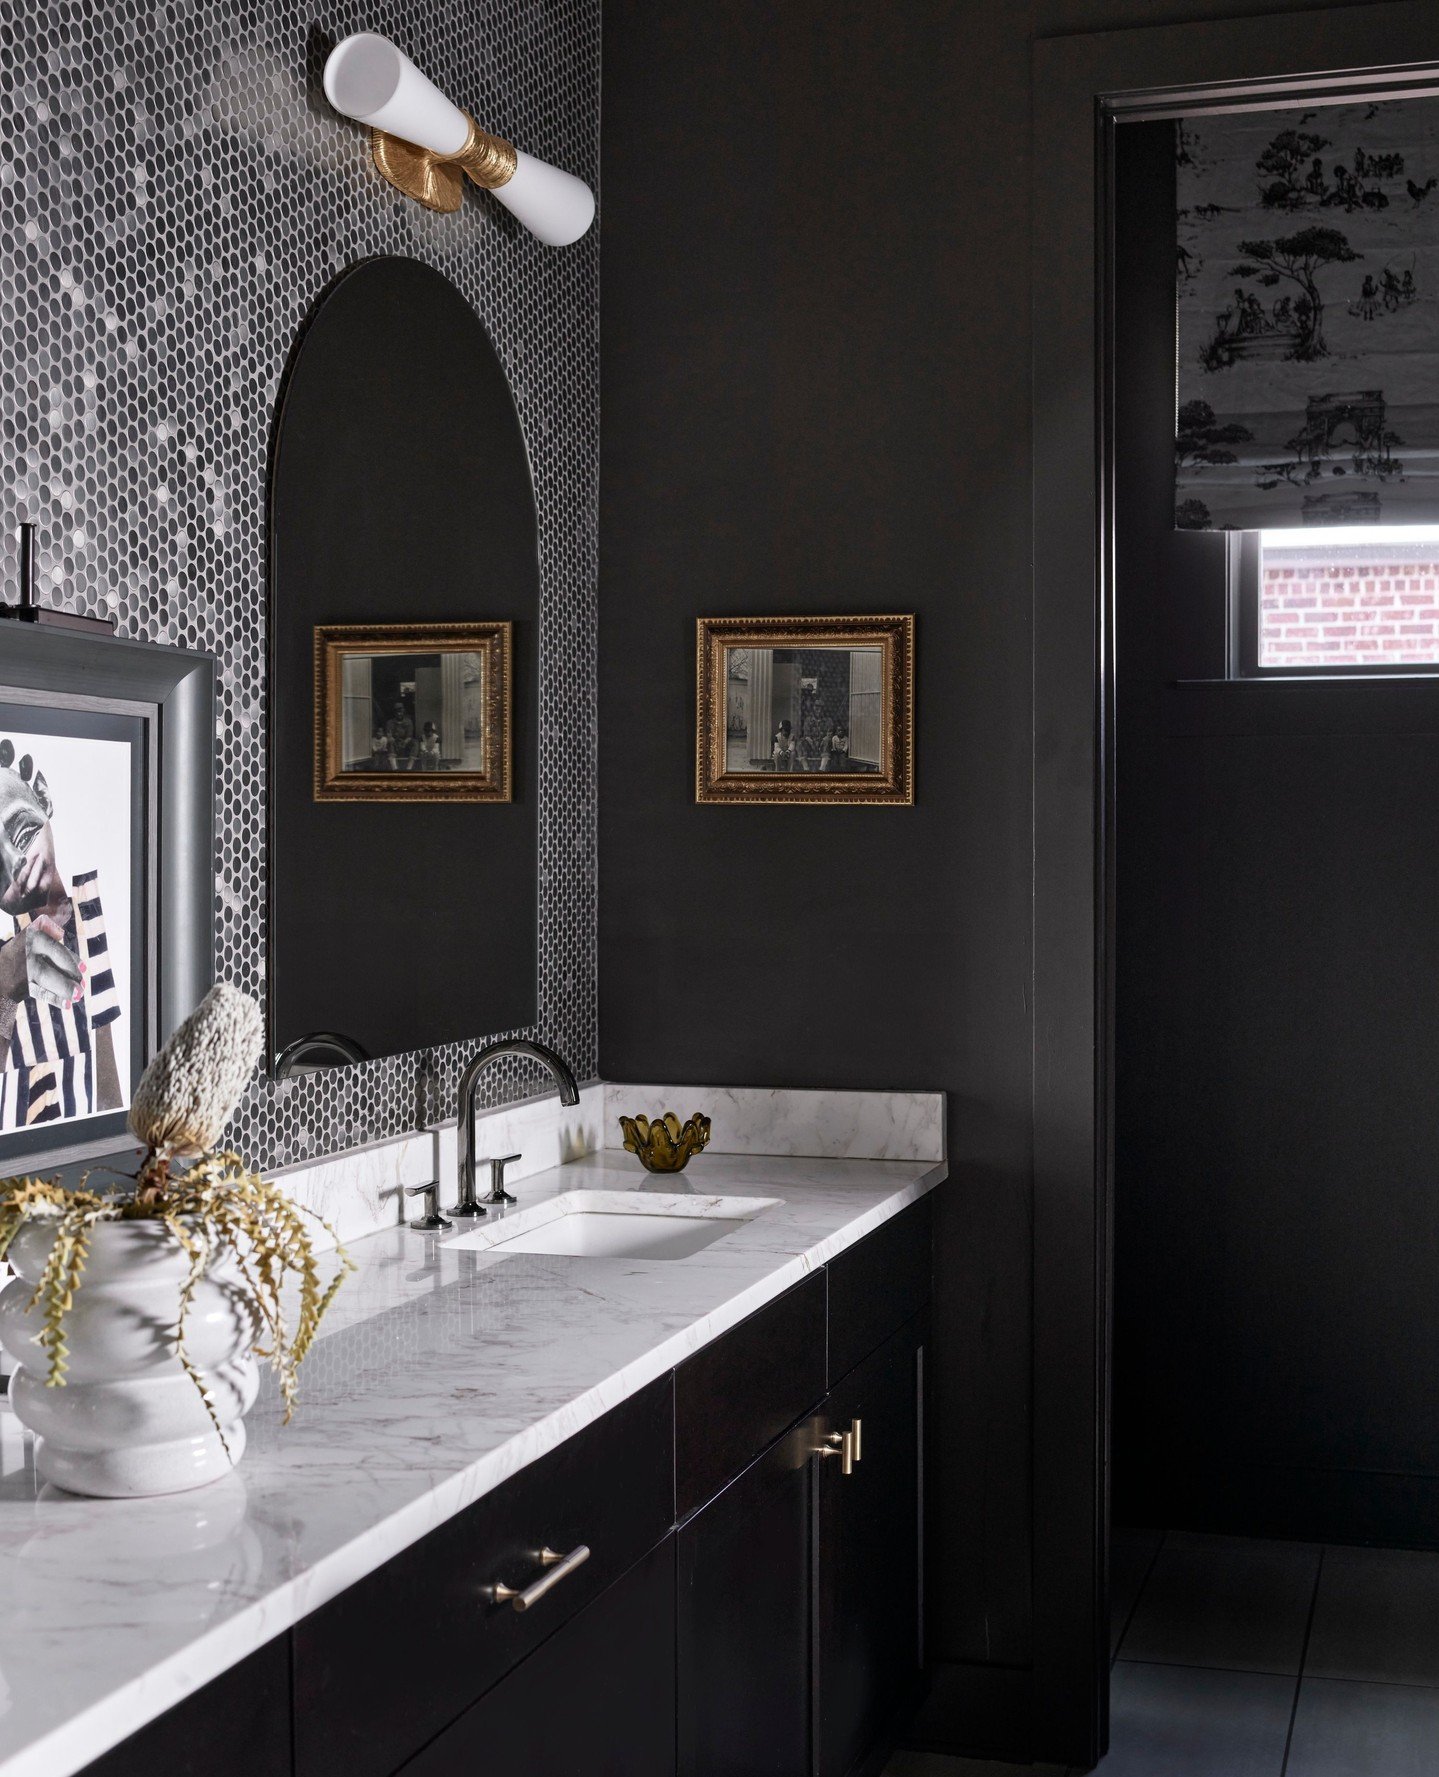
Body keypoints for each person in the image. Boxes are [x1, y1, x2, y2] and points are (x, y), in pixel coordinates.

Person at [0, 740, 122, 1129]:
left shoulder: (87, 907)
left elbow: (104, 1045)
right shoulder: (6, 936)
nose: (13, 863)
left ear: (43, 799)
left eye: (21, 833)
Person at [384, 699, 417, 768]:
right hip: (395, 744)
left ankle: (409, 768)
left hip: (405, 744)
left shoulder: (408, 722)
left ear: (403, 712)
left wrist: (405, 742)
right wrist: (392, 739)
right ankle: (395, 768)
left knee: (415, 742)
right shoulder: (390, 722)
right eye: (397, 712)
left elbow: (409, 736)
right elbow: (389, 735)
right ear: (394, 713)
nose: (399, 714)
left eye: (400, 711)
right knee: (390, 742)